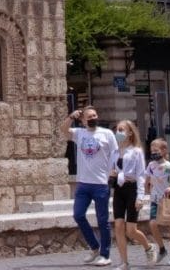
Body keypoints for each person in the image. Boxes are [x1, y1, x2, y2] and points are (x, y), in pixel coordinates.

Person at [61, 105, 117, 266]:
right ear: (83, 120)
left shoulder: (107, 134)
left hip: (100, 184)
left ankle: (105, 255)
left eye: (94, 115)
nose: (93, 118)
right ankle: (94, 247)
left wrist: (113, 171)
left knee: (102, 220)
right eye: (89, 116)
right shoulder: (79, 133)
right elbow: (63, 130)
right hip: (83, 183)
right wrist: (71, 117)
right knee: (78, 215)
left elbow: (115, 153)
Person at [110, 120, 155, 270]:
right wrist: (112, 174)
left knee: (131, 230)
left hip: (132, 189)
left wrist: (140, 197)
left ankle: (148, 247)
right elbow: (111, 170)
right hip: (119, 189)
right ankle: (124, 262)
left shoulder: (136, 151)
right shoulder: (114, 152)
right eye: (117, 130)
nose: (119, 133)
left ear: (130, 133)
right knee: (118, 226)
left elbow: (141, 175)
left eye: (122, 130)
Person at [144, 137, 170, 266]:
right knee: (153, 224)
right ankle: (162, 249)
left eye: (156, 150)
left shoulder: (169, 167)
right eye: (151, 150)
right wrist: (145, 193)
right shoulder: (151, 165)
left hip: (167, 200)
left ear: (164, 150)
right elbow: (147, 181)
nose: (153, 152)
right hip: (155, 199)